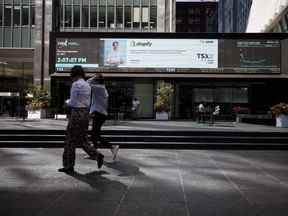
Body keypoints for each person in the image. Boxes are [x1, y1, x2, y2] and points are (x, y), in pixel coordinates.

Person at [58, 65, 104, 174]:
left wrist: (66, 102)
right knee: (82, 139)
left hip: (76, 113)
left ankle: (68, 166)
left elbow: (73, 102)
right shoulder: (87, 85)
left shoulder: (76, 84)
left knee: (70, 140)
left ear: (74, 74)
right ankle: (97, 155)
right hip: (85, 114)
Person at [87, 74, 119, 161]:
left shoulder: (99, 88)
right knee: (94, 134)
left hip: (99, 114)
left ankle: (112, 147)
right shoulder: (102, 89)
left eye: (95, 79)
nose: (93, 80)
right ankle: (94, 153)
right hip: (100, 113)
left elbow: (87, 83)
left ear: (97, 81)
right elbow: (95, 102)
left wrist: (93, 77)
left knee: (95, 134)